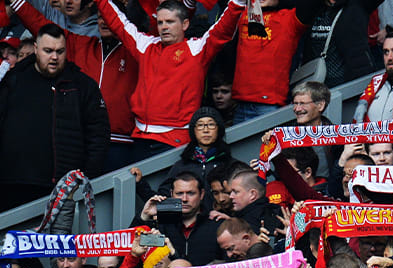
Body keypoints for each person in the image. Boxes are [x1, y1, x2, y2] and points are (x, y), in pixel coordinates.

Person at [92, 0, 244, 152]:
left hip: (175, 139)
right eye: (160, 22)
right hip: (140, 137)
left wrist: (238, 3)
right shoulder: (145, 45)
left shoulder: (196, 48)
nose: (164, 27)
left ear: (185, 24)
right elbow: (117, 21)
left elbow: (223, 29)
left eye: (170, 22)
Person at [0, 23, 109, 207]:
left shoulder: (83, 86)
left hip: (63, 188)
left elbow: (98, 135)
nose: (54, 57)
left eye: (60, 51)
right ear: (35, 48)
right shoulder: (14, 81)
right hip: (13, 184)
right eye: (48, 50)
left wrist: (86, 179)